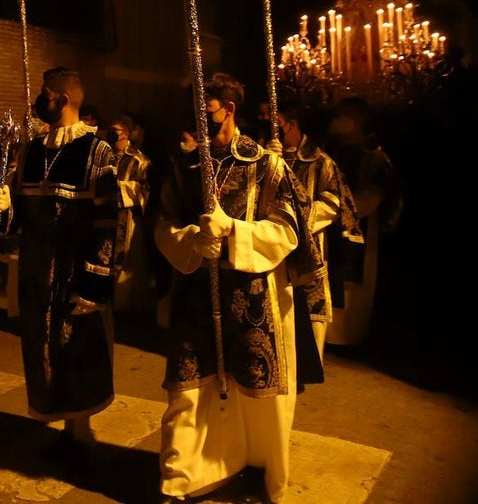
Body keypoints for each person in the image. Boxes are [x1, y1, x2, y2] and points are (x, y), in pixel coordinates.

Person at [152, 72, 322, 504]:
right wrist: (190, 239)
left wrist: (234, 232)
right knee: (188, 390)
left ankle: (263, 468)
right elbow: (164, 224)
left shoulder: (267, 164)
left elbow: (288, 231)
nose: (196, 122)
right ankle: (181, 479)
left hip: (255, 297)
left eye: (204, 112)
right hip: (196, 292)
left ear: (228, 109)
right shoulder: (184, 166)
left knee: (258, 392)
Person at [0, 66, 120, 457]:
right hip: (35, 269)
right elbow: (18, 219)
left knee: (78, 346)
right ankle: (58, 420)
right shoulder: (30, 150)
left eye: (44, 94)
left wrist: (96, 281)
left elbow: (109, 220)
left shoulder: (97, 151)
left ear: (61, 100)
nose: (37, 102)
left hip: (74, 268)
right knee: (41, 348)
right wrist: (5, 208)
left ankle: (80, 429)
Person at [278, 100, 362, 370]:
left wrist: (300, 220)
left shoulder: (321, 162)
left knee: (309, 301)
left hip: (309, 242)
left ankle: (309, 364)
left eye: (277, 123)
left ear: (292, 124)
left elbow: (335, 203)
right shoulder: (267, 158)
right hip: (273, 241)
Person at [323, 96, 401, 347]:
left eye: (349, 114)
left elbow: (376, 194)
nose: (343, 120)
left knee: (354, 287)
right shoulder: (327, 152)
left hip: (360, 228)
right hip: (329, 226)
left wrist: (339, 208)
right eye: (341, 113)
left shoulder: (375, 157)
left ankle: (351, 337)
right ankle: (331, 337)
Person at [106, 113, 154, 314]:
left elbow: (145, 190)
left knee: (125, 263)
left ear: (125, 134)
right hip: (105, 215)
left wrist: (121, 189)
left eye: (114, 131)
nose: (110, 135)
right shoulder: (104, 155)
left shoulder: (139, 161)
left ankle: (124, 307)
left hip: (127, 217)